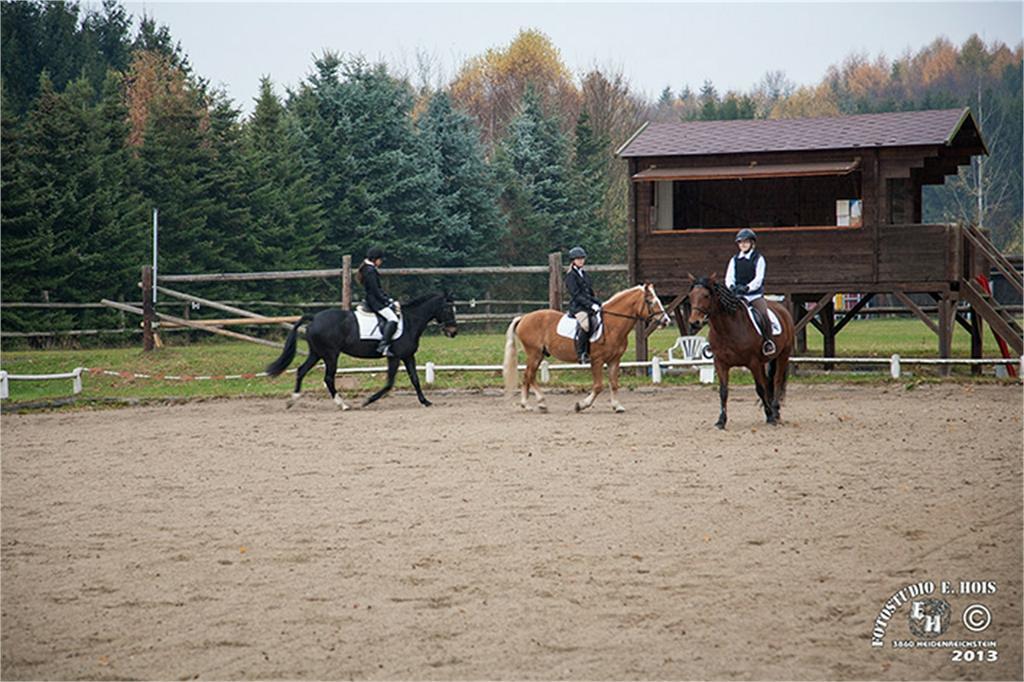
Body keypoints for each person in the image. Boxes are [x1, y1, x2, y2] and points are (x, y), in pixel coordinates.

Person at [725, 228, 776, 355]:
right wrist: (731, 286)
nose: (743, 244)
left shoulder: (758, 258)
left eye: (746, 242)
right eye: (740, 242)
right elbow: (729, 277)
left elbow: (759, 278)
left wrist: (748, 287)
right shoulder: (734, 259)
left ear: (752, 243)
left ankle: (767, 342)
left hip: (754, 296)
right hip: (738, 296)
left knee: (763, 314)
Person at [357, 246, 400, 356]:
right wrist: (388, 301)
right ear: (375, 259)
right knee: (393, 319)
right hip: (375, 301)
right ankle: (383, 346)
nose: (381, 262)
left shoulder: (367, 268)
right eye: (380, 259)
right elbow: (376, 290)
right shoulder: (370, 271)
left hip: (373, 299)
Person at [565, 246, 602, 364]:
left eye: (582, 259)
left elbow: (589, 293)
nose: (581, 261)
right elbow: (576, 295)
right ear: (573, 261)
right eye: (578, 259)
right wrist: (591, 305)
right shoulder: (571, 276)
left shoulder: (585, 274)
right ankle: (581, 353)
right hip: (578, 307)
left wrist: (598, 303)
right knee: (585, 325)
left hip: (588, 306)